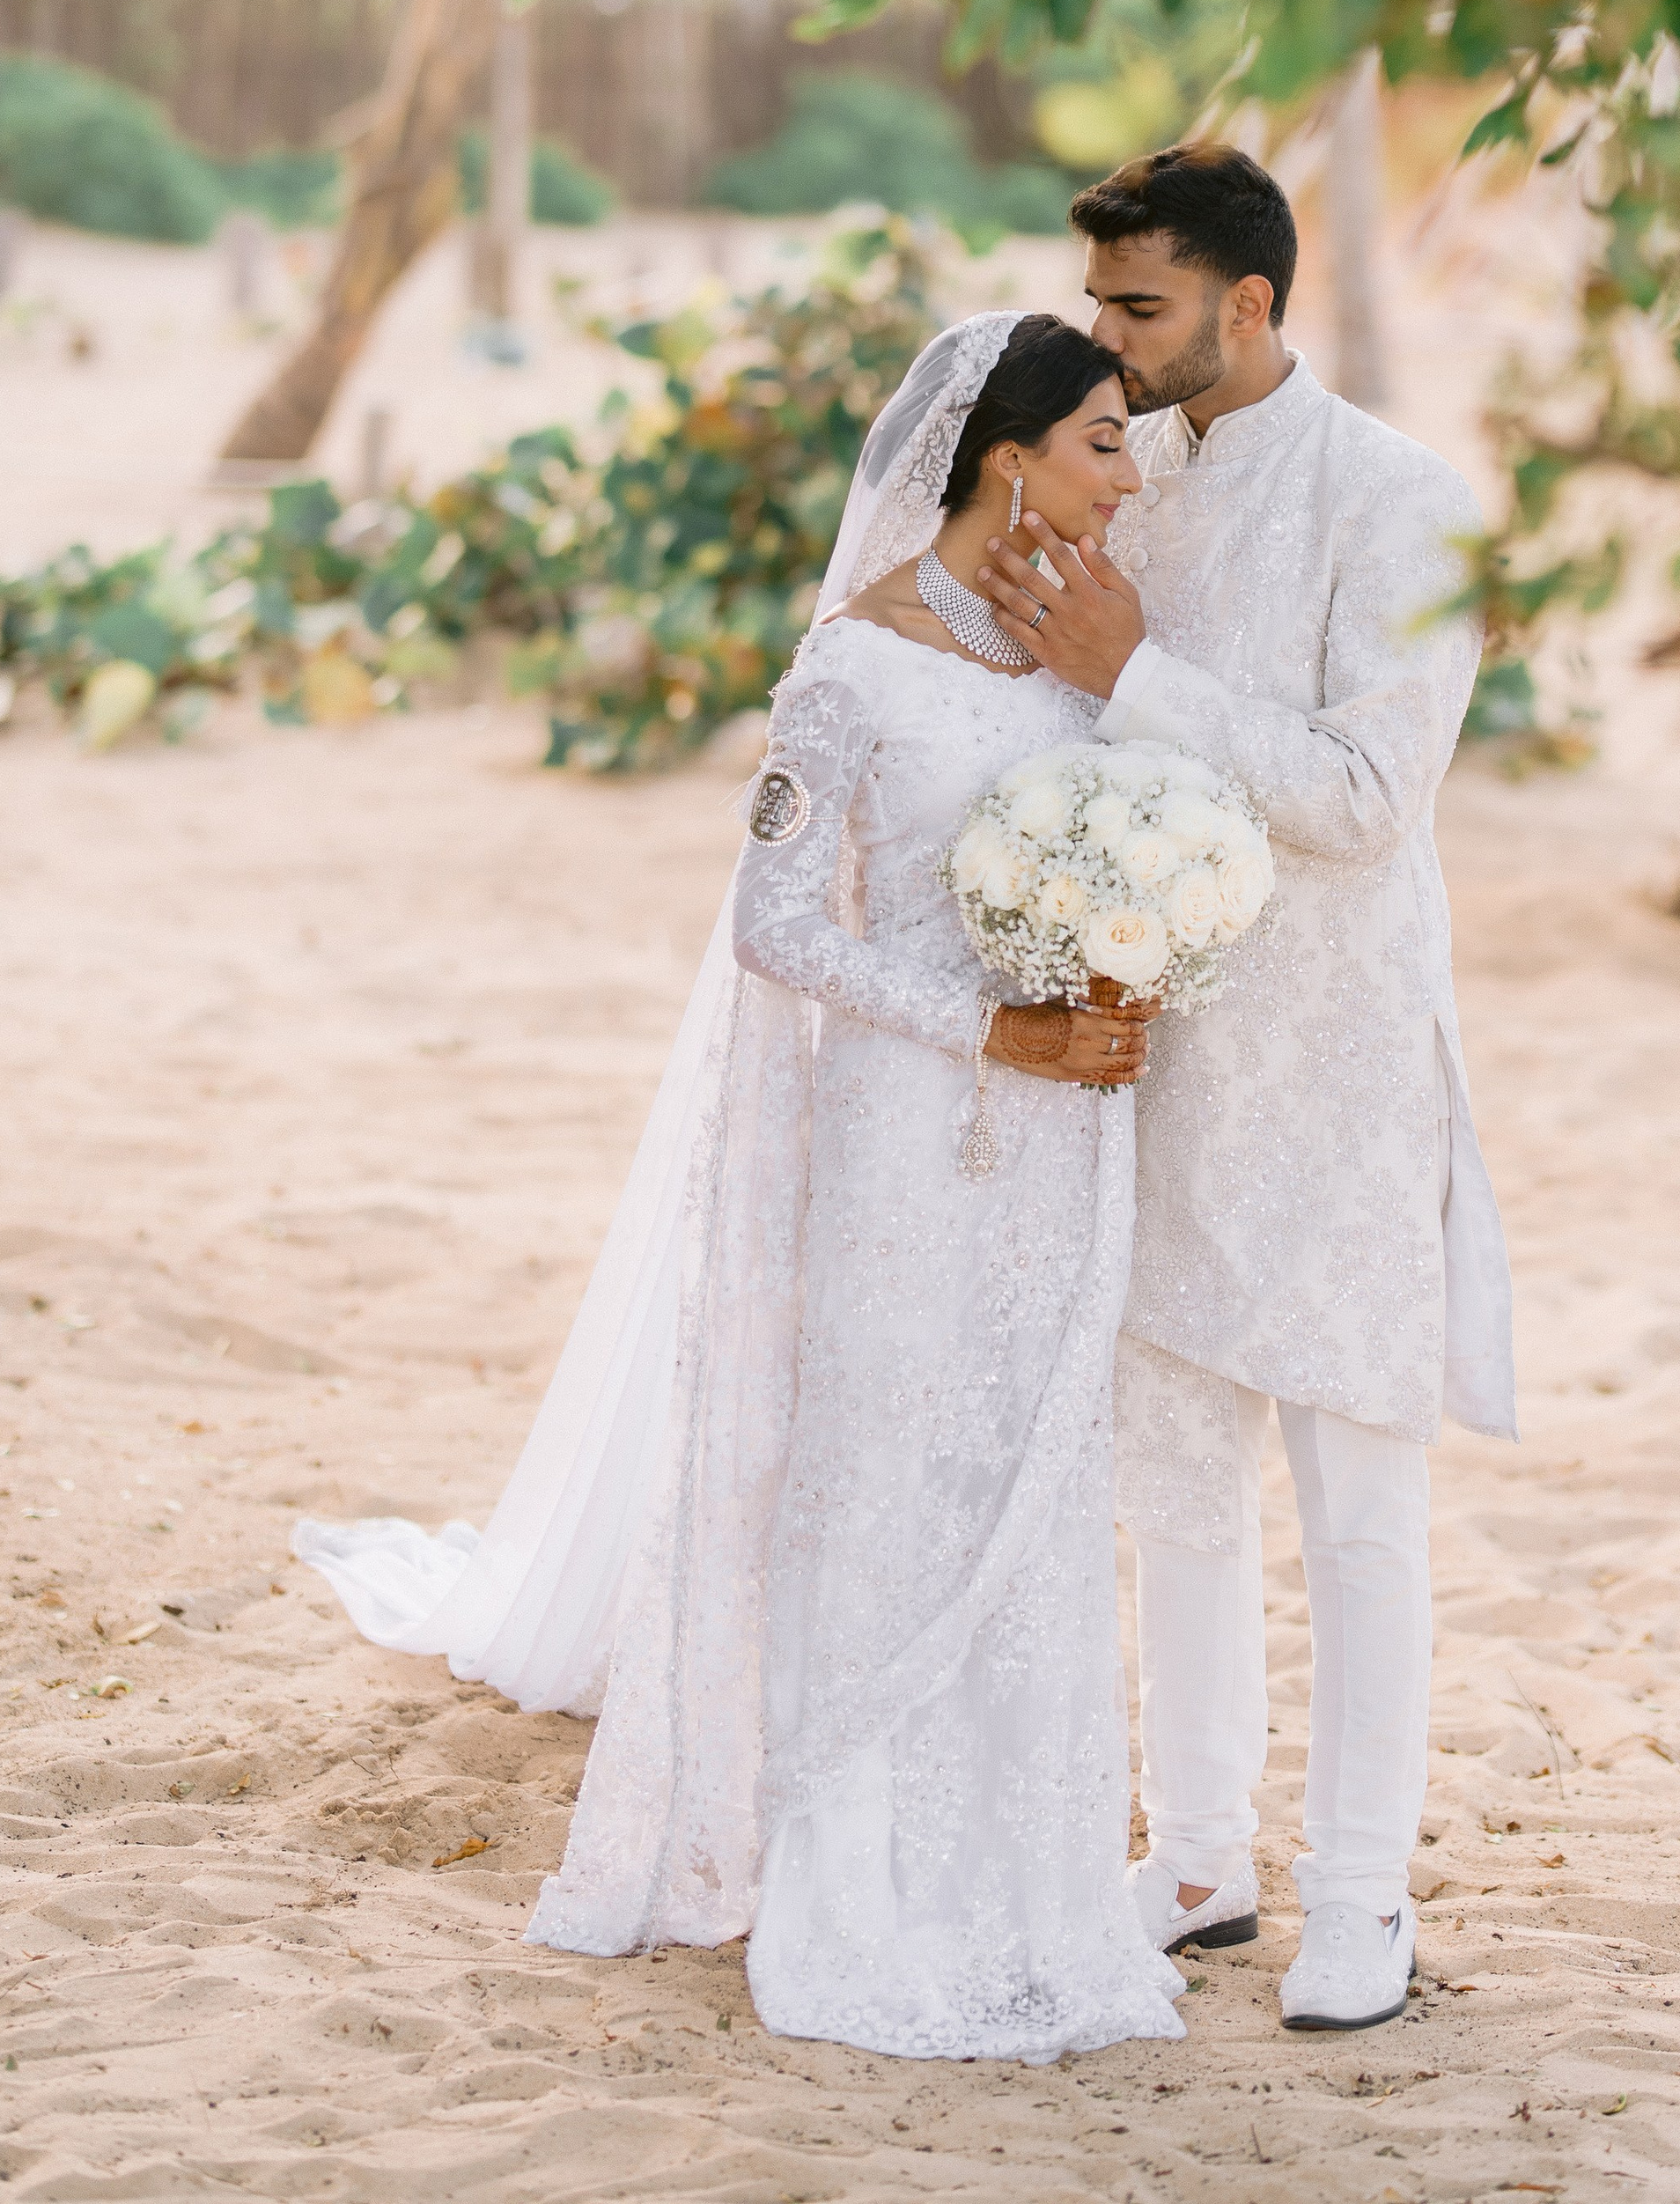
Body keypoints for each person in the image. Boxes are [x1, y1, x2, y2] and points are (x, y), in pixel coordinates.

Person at [295, 311, 1185, 2065]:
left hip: (1065, 1139)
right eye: (1099, 440)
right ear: (1006, 454)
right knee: (877, 1479)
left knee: (1027, 1471)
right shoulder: (847, 667)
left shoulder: (1090, 653)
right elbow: (772, 923)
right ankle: (852, 1873)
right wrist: (982, 1025)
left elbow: (1131, 845)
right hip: (897, 1137)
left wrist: (1122, 967)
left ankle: (1032, 1875)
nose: (1124, 474)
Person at [974, 143, 1514, 2035]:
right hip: (1157, 1059)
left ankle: (1361, 1894)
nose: (1101, 348)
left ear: (1252, 304)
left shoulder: (1402, 501)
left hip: (1344, 1067)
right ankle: (1196, 1854)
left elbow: (1370, 801)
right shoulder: (1123, 485)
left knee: (1356, 1497)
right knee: (1174, 1484)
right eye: (1101, 305)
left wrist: (1133, 677)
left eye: (1137, 309)